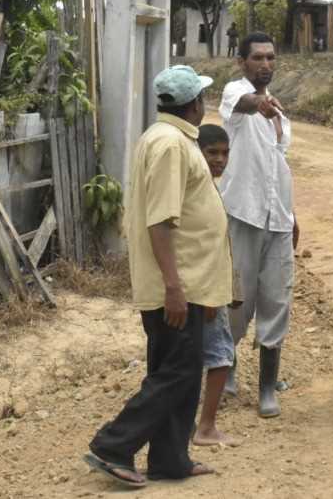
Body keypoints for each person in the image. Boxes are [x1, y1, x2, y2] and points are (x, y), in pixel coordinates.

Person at [84, 65, 232, 488]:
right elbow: (160, 222)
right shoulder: (170, 145)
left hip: (190, 282)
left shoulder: (166, 139)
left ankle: (171, 460)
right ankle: (114, 445)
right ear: (195, 104)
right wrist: (174, 287)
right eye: (203, 98)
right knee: (178, 373)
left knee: (179, 372)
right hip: (178, 284)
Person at [218, 32, 297, 418]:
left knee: (276, 301)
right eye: (257, 58)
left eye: (270, 58)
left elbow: (278, 166)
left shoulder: (281, 114)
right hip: (242, 215)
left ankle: (268, 387)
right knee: (236, 299)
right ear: (242, 62)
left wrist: (292, 218)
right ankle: (225, 367)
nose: (265, 64)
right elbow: (248, 104)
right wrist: (259, 104)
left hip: (278, 220)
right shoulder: (235, 95)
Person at [194, 123, 244, 447]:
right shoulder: (199, 191)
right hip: (205, 290)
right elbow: (204, 247)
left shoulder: (210, 188)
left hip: (212, 287)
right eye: (212, 153)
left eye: (225, 153)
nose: (220, 160)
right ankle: (206, 428)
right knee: (220, 356)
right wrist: (212, 296)